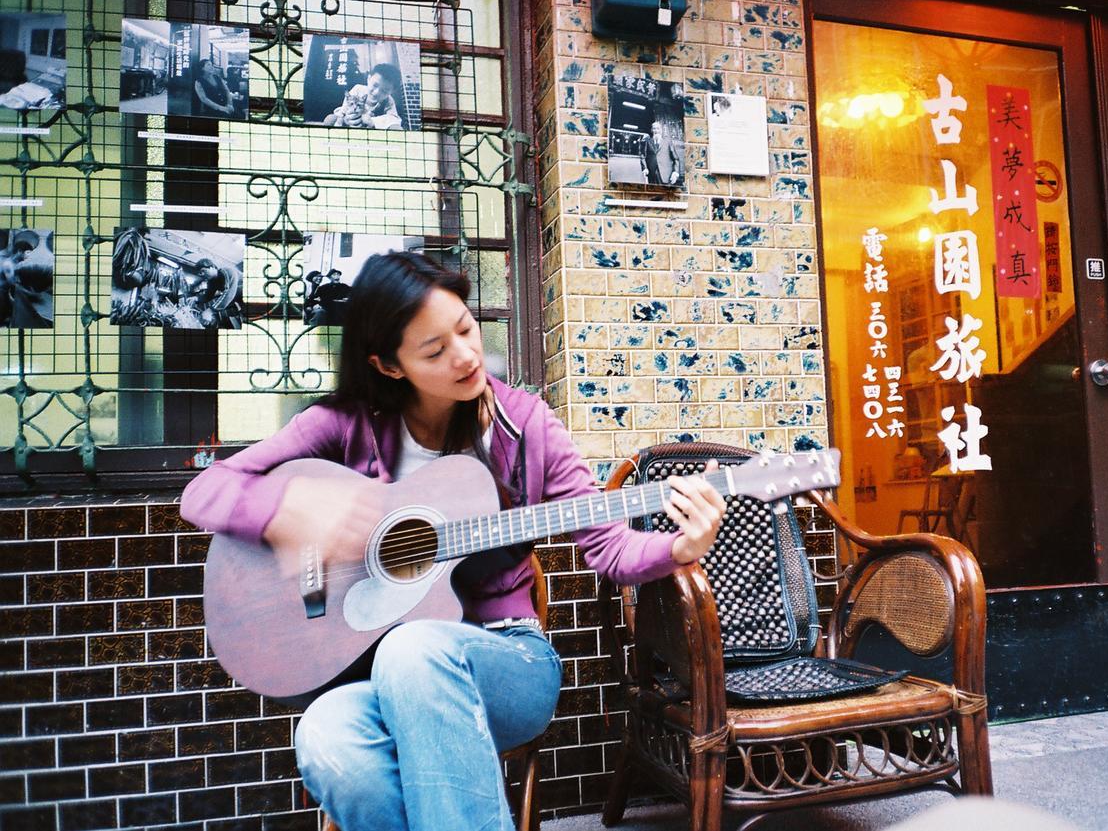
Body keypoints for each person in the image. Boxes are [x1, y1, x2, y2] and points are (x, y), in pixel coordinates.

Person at [179, 252, 726, 831]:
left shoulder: (526, 425)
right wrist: (286, 511)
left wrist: (678, 549)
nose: (466, 355)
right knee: (328, 735)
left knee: (414, 647)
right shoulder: (344, 424)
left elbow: (609, 548)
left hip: (506, 659)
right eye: (434, 350)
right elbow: (205, 490)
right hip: (383, 673)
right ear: (389, 366)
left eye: (465, 328)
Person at [321, 62, 405, 130]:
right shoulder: (358, 89)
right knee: (330, 119)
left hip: (370, 127)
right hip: (348, 120)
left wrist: (373, 121)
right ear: (368, 79)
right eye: (375, 85)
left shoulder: (389, 101)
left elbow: (394, 118)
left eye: (384, 91)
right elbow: (345, 107)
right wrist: (346, 119)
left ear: (392, 92)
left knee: (396, 128)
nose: (376, 93)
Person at [643, 119, 682, 186]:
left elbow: (676, 159)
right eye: (654, 129)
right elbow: (643, 156)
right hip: (652, 175)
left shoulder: (668, 142)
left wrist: (675, 173)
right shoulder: (647, 142)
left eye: (658, 128)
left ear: (661, 130)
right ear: (652, 130)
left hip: (666, 175)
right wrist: (644, 168)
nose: (656, 131)